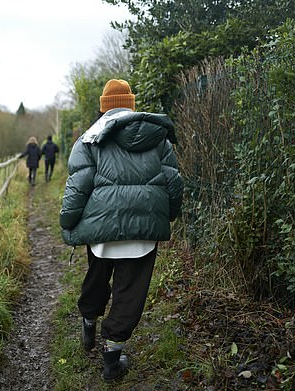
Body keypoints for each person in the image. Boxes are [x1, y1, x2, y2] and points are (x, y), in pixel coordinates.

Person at [59, 79, 183, 382]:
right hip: (143, 232)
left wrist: (68, 220)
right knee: (131, 292)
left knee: (97, 277)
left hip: (101, 231)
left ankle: (89, 321)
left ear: (103, 107)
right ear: (131, 105)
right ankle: (112, 360)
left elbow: (78, 186)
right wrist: (170, 214)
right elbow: (174, 182)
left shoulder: (89, 139)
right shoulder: (158, 138)